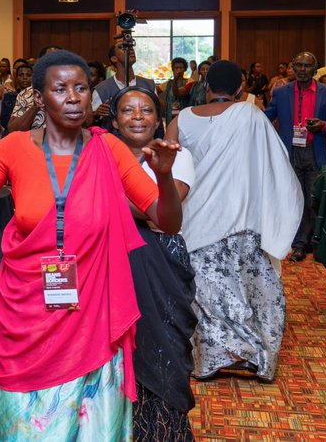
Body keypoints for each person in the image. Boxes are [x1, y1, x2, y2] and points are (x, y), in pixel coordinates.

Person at [0, 50, 183, 440]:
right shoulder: (13, 148)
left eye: (81, 88)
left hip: (92, 313)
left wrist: (164, 178)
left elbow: (166, 220)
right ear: (39, 97)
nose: (73, 97)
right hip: (28, 307)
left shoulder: (109, 149)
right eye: (60, 89)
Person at [170, 61, 302, 381]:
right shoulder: (251, 115)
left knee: (208, 293)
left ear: (206, 86)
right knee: (248, 289)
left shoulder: (181, 119)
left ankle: (212, 358)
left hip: (196, 216)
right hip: (242, 218)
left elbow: (169, 164)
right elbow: (275, 162)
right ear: (241, 89)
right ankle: (254, 355)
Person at [110, 86, 198, 441]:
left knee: (162, 351)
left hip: (161, 262)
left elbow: (163, 215)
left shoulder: (177, 156)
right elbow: (150, 209)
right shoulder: (101, 157)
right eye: (128, 110)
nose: (137, 117)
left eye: (145, 110)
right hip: (111, 260)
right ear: (115, 120)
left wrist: (109, 197)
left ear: (158, 120)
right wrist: (142, 207)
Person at [263, 51, 326, 261]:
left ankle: (315, 242)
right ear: (293, 67)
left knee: (313, 199)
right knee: (294, 199)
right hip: (290, 153)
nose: (302, 70)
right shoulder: (281, 93)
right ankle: (299, 244)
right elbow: (267, 117)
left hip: (314, 152)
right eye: (298, 65)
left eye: (307, 66)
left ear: (315, 70)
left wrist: (323, 125)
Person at [94, 44, 157, 128]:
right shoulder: (101, 89)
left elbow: (156, 116)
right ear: (114, 58)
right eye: (122, 47)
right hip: (111, 139)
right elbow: (89, 120)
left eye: (131, 47)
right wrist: (96, 114)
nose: (129, 49)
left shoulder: (149, 85)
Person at [159, 57, 193, 124]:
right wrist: (164, 104)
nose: (179, 70)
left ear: (185, 69)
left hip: (185, 114)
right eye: (176, 68)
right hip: (170, 115)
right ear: (172, 69)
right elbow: (154, 92)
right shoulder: (168, 83)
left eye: (181, 68)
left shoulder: (190, 81)